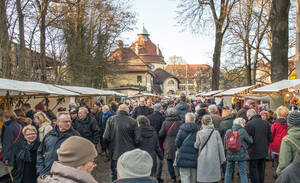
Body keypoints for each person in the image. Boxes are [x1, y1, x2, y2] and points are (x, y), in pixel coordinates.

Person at [103, 104, 141, 182]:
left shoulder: (111, 119)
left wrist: (107, 149)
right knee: (129, 174)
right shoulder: (133, 121)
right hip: (129, 154)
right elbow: (138, 140)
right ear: (128, 111)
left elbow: (105, 137)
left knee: (115, 174)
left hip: (115, 153)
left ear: (118, 110)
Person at [36, 111, 79, 175]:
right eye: (65, 122)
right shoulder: (49, 135)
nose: (68, 124)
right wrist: (40, 170)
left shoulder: (75, 137)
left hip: (65, 175)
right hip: (47, 173)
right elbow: (40, 152)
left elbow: (80, 157)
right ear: (58, 123)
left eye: (69, 121)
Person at [194, 115, 225, 183]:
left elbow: (196, 145)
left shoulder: (199, 133)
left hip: (203, 157)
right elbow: (220, 147)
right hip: (214, 157)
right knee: (214, 179)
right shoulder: (216, 133)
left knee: (204, 177)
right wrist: (222, 159)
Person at [245, 109, 272, 183]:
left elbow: (247, 139)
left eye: (247, 116)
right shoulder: (265, 123)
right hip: (263, 151)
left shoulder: (249, 124)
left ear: (250, 116)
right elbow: (270, 138)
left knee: (253, 170)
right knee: (261, 169)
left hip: (253, 151)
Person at [224, 118, 253, 183]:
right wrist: (251, 137)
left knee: (228, 171)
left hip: (230, 153)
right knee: (242, 172)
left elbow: (225, 143)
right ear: (242, 124)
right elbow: (250, 141)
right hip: (241, 154)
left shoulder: (228, 131)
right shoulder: (243, 131)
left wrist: (225, 153)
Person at [159, 108, 183, 183]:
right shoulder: (180, 122)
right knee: (179, 161)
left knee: (169, 161)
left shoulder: (165, 122)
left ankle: (173, 177)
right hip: (179, 143)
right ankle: (179, 177)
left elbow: (161, 134)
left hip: (168, 144)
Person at [175, 113, 198, 183]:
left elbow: (177, 143)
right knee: (193, 176)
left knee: (185, 176)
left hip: (183, 156)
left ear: (186, 120)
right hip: (194, 156)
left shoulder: (182, 129)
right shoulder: (198, 129)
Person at [2, 110, 24, 181]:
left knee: (13, 177)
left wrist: (6, 158)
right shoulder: (20, 125)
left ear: (7, 117)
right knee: (19, 176)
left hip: (12, 156)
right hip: (20, 154)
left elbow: (7, 144)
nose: (2, 120)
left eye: (2, 118)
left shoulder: (9, 128)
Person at [269, 106, 289, 178]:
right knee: (286, 160)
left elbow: (271, 135)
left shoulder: (275, 124)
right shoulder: (289, 124)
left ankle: (276, 174)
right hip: (286, 145)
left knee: (276, 161)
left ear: (278, 114)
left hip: (276, 146)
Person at [147, 103, 165, 182]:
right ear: (159, 109)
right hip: (160, 140)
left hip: (150, 140)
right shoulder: (162, 118)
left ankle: (150, 176)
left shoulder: (148, 117)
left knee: (150, 158)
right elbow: (163, 131)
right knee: (160, 159)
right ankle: (157, 176)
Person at [218, 106, 234, 175]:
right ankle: (232, 174)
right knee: (232, 159)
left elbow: (219, 133)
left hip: (224, 143)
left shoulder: (222, 123)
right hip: (233, 143)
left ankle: (225, 174)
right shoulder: (234, 121)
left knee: (224, 159)